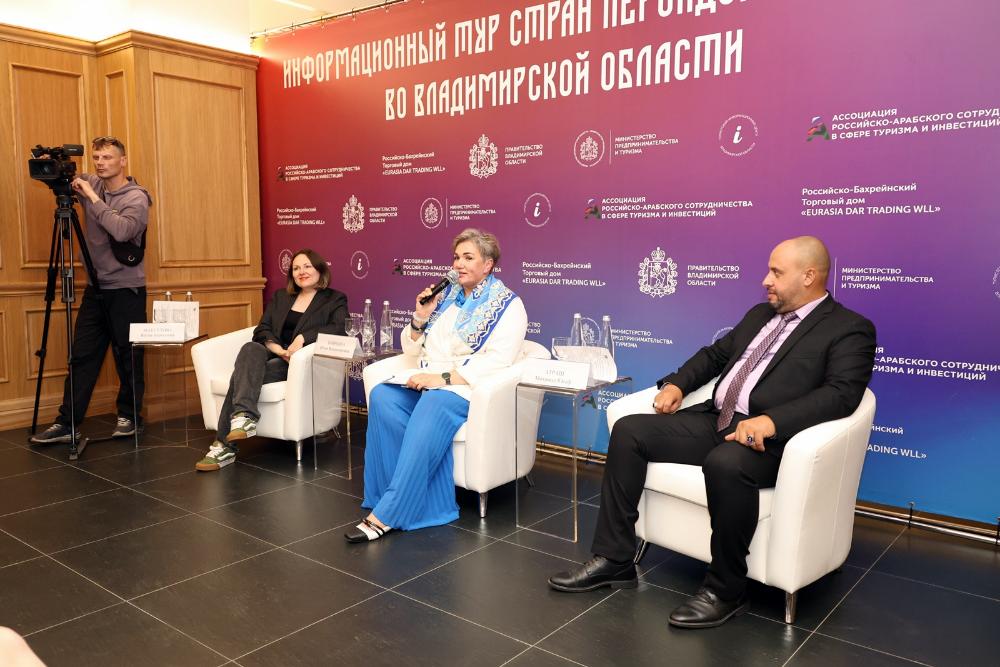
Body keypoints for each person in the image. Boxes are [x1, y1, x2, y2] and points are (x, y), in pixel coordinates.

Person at [548, 236, 876, 629]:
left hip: (772, 441)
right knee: (629, 431)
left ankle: (726, 590)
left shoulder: (849, 329)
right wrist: (677, 384)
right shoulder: (761, 314)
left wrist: (772, 422)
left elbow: (841, 395)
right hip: (717, 419)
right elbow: (716, 355)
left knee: (726, 463)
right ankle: (614, 559)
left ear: (809, 276)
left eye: (776, 272)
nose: (766, 280)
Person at [345, 228, 527, 542]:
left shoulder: (508, 305)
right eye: (456, 257)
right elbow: (412, 349)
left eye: (468, 257)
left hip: (465, 388)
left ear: (488, 264)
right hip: (429, 380)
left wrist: (441, 379)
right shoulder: (446, 300)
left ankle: (388, 513)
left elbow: (498, 362)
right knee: (383, 396)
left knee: (433, 402)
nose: (458, 264)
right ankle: (415, 500)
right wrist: (420, 316)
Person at [31, 136, 152, 444]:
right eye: (97, 157)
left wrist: (92, 198)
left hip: (126, 289)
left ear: (122, 161)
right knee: (82, 356)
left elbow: (122, 230)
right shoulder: (91, 183)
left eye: (107, 157)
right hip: (95, 288)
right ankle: (67, 422)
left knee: (128, 356)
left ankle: (130, 417)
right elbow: (63, 180)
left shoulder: (136, 197)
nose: (100, 163)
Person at [195, 249, 348, 471]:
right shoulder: (281, 297)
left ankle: (225, 444)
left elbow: (339, 327)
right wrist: (279, 350)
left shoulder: (334, 299)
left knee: (240, 377)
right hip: (276, 356)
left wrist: (303, 338)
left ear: (320, 269)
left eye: (307, 266)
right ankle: (243, 418)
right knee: (251, 347)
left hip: (300, 364)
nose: (301, 272)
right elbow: (262, 329)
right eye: (296, 268)